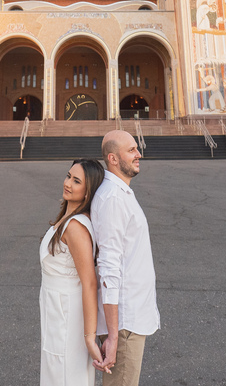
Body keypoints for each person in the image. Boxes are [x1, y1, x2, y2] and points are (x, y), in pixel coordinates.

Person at [92, 130, 159, 386]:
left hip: (130, 318)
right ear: (113, 158)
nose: (138, 154)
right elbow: (108, 267)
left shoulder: (120, 193)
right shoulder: (112, 198)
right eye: (131, 150)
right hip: (124, 324)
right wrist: (113, 334)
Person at [40, 159, 110, 385]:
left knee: (65, 373)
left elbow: (90, 282)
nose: (68, 183)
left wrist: (90, 338)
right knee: (57, 370)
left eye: (76, 180)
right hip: (56, 307)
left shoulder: (76, 227)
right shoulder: (68, 220)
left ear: (88, 191)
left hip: (66, 314)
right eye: (68, 176)